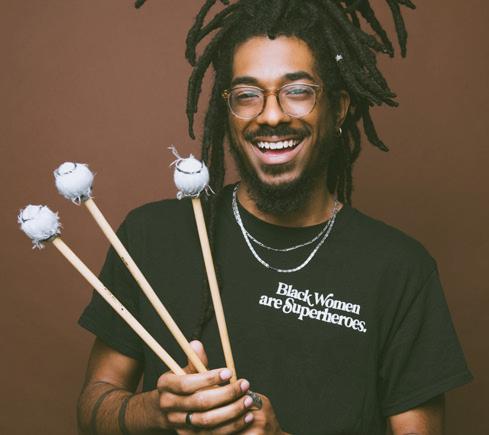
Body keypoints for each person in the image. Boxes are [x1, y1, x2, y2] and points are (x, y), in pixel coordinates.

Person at [77, 1, 472, 434]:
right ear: (227, 111)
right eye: (247, 95)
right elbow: (94, 407)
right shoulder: (152, 235)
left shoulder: (400, 269)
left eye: (297, 91)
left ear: (339, 108)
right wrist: (156, 411)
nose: (271, 115)